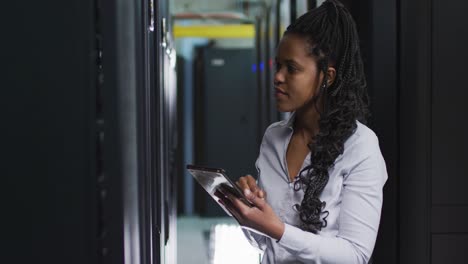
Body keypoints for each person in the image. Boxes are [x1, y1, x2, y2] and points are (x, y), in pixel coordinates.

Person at [217, 0, 388, 263]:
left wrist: (279, 229)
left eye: (292, 68)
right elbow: (263, 242)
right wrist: (248, 211)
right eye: (278, 65)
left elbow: (355, 255)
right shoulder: (273, 138)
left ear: (327, 77)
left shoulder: (360, 146)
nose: (278, 77)